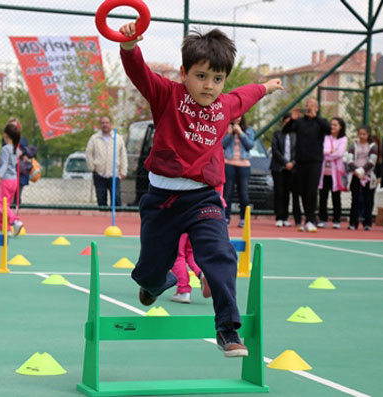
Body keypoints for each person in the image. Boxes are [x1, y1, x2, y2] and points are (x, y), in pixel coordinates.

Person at [118, 21, 283, 357]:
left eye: (218, 79)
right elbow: (140, 74)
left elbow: (245, 94)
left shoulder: (225, 106)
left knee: (221, 254)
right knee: (151, 270)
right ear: (184, 73)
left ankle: (227, 329)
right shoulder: (167, 95)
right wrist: (129, 46)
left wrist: (266, 86)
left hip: (203, 198)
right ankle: (153, 284)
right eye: (202, 76)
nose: (210, 86)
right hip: (161, 200)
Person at [293, 98, 330, 232]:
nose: (308, 107)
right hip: (301, 160)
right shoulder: (300, 122)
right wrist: (293, 118)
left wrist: (316, 117)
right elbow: (287, 129)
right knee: (302, 191)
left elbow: (329, 129)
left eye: (311, 105)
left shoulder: (321, 122)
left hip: (315, 161)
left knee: (312, 190)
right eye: (307, 105)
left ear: (317, 108)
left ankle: (311, 219)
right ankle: (307, 219)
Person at [85, 115, 128, 208]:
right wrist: (92, 167)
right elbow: (88, 153)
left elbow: (123, 155)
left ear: (111, 124)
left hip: (114, 174)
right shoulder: (94, 138)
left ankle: (116, 220)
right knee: (101, 199)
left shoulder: (118, 138)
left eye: (107, 123)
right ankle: (102, 220)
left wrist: (123, 171)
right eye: (103, 123)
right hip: (99, 174)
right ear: (100, 125)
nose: (105, 125)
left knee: (116, 199)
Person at [222, 115, 254, 227]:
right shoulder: (226, 128)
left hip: (244, 164)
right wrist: (230, 134)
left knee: (244, 194)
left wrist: (240, 133)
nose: (237, 118)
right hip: (229, 163)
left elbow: (250, 145)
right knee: (228, 193)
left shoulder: (248, 130)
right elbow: (222, 144)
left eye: (240, 116)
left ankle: (243, 219)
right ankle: (226, 217)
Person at [346, 125, 378, 230]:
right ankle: (353, 223)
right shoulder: (354, 145)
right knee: (355, 199)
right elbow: (349, 160)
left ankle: (367, 223)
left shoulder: (373, 146)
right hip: (355, 175)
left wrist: (362, 171)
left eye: (364, 134)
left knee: (367, 199)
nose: (361, 136)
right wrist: (355, 171)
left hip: (367, 176)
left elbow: (372, 161)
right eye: (360, 134)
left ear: (368, 134)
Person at [318, 117, 348, 229]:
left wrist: (329, 154)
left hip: (336, 173)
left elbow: (339, 153)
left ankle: (336, 220)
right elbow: (322, 150)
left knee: (336, 197)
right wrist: (329, 152)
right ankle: (322, 219)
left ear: (340, 127)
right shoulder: (326, 137)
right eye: (331, 124)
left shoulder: (343, 139)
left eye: (335, 125)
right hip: (324, 172)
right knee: (323, 196)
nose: (332, 127)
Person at [0, 123, 24, 236]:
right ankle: (5, 230)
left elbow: (5, 164)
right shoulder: (16, 149)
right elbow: (10, 162)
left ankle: (15, 221)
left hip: (5, 180)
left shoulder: (5, 149)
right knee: (6, 204)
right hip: (13, 180)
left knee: (2, 205)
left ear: (5, 134)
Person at [270, 113, 297, 227]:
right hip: (278, 167)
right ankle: (279, 217)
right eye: (286, 122)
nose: (287, 124)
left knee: (287, 192)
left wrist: (292, 163)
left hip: (292, 168)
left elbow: (298, 151)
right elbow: (275, 150)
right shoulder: (277, 134)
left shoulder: (296, 135)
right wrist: (285, 163)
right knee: (279, 192)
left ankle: (285, 216)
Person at [170, 233, 212, 304]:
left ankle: (183, 291)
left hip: (177, 224)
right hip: (193, 225)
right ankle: (202, 273)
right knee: (191, 254)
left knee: (177, 255)